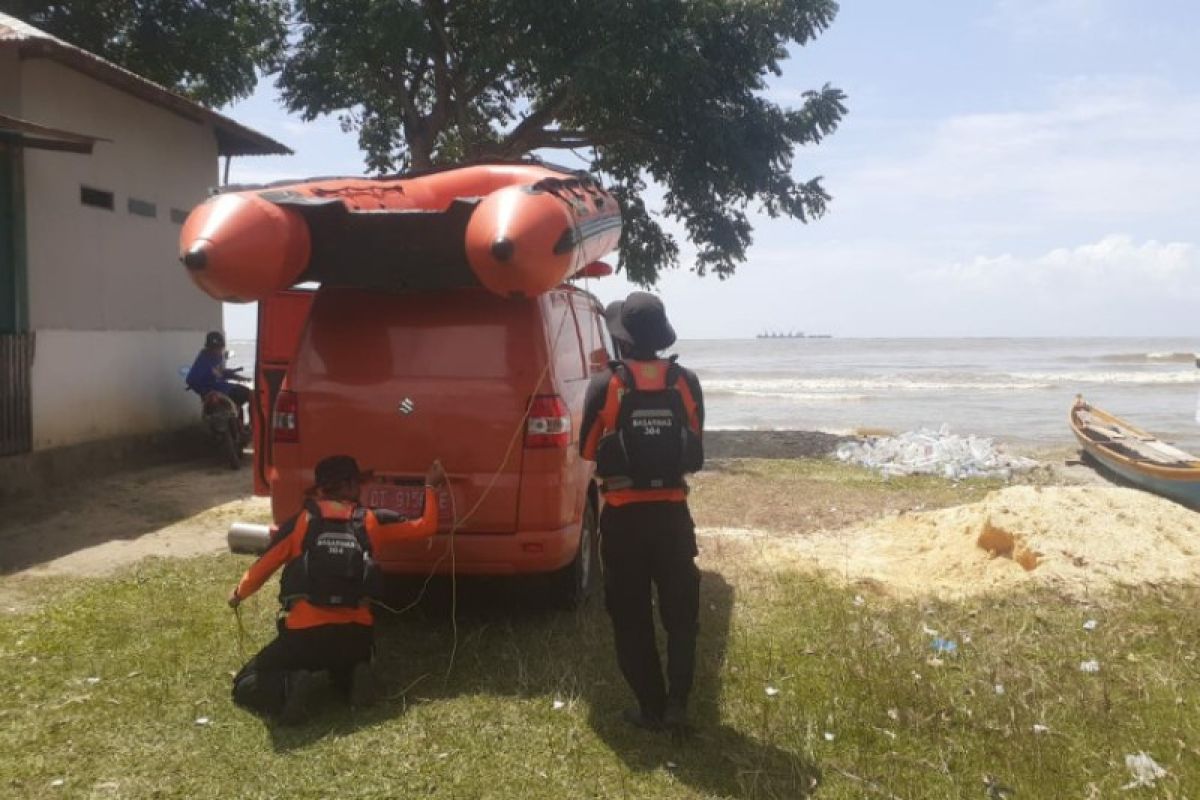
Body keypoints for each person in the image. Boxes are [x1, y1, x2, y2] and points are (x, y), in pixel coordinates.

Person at [228, 454, 448, 723]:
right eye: (358, 483)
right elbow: (426, 526)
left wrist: (238, 594)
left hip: (305, 639)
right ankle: (353, 675)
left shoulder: (300, 522)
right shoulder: (371, 521)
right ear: (349, 486)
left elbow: (263, 567)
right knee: (344, 660)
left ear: (321, 489)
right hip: (356, 639)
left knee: (244, 683)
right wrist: (431, 487)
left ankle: (290, 684)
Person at [579, 291, 705, 733]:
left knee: (630, 615)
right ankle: (678, 704)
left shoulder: (604, 385)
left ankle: (650, 706)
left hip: (623, 520)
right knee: (681, 613)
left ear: (624, 341)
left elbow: (587, 450)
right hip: (672, 516)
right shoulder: (685, 381)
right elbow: (695, 450)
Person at [185, 330, 250, 425]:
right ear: (209, 348)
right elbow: (190, 380)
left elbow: (222, 372)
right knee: (249, 396)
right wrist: (205, 392)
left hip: (224, 388)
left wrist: (240, 378)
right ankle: (249, 428)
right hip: (218, 391)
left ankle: (247, 427)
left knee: (248, 396)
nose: (218, 351)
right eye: (215, 348)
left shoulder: (218, 357)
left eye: (219, 348)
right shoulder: (203, 360)